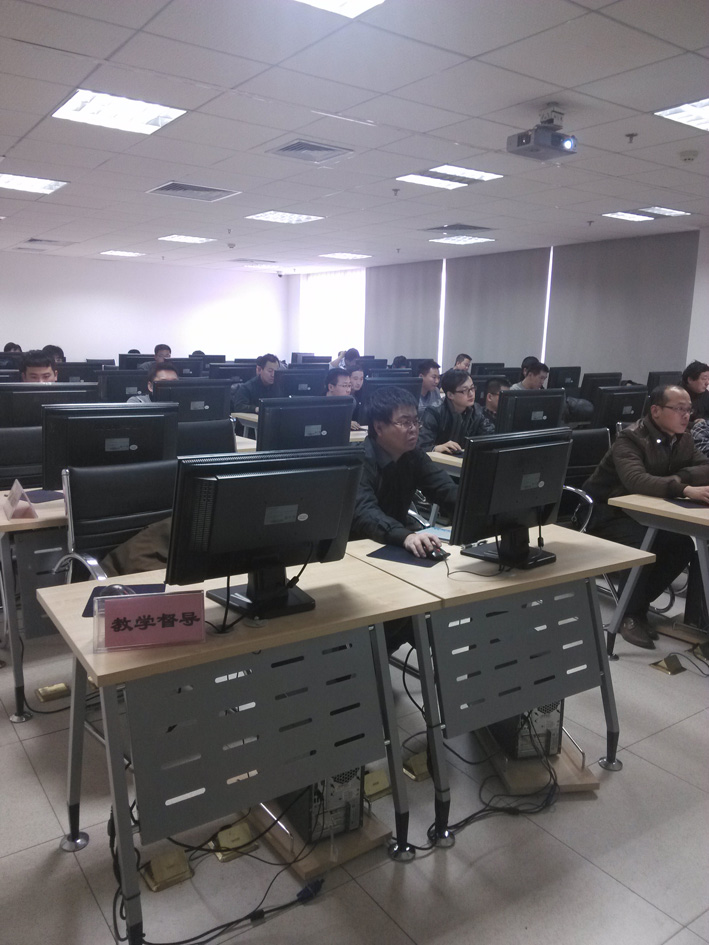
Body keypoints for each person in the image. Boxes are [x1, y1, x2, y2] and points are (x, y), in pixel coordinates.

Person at [584, 384, 709, 649]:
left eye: (689, 409)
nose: (686, 415)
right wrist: (683, 488)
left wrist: (678, 478)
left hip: (642, 513)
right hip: (606, 512)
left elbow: (705, 467)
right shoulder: (631, 439)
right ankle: (629, 616)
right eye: (679, 409)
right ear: (656, 411)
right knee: (645, 544)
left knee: (682, 546)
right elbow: (636, 480)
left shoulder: (683, 439)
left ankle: (634, 606)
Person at [350, 386, 458, 653]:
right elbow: (365, 513)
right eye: (404, 422)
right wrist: (406, 536)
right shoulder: (360, 461)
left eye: (415, 421)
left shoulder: (413, 456)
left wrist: (480, 508)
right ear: (379, 427)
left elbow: (445, 490)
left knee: (438, 606)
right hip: (356, 554)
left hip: (393, 549)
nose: (414, 429)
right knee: (408, 619)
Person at [418, 369, 495, 453]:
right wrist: (435, 448)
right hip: (439, 459)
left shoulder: (476, 411)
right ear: (450, 395)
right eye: (464, 390)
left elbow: (489, 437)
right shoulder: (434, 412)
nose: (471, 394)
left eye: (472, 388)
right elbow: (421, 446)